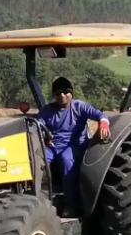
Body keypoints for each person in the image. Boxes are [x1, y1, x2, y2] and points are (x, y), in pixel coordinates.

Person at [37, 77, 109, 216]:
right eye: (58, 93)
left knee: (66, 160)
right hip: (53, 146)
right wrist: (44, 138)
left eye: (65, 92)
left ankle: (71, 205)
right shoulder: (47, 111)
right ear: (54, 95)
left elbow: (100, 115)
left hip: (73, 145)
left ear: (71, 93)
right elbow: (38, 126)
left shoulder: (79, 107)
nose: (62, 95)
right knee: (37, 160)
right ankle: (38, 201)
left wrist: (104, 124)